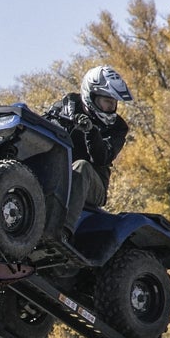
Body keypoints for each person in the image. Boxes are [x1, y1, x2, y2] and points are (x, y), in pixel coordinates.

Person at [43, 66, 132, 236]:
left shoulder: (118, 128)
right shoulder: (68, 104)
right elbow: (43, 125)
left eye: (113, 103)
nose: (110, 107)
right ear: (91, 96)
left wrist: (91, 131)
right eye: (107, 101)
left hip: (94, 184)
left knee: (81, 167)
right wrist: (62, 121)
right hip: (59, 172)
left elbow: (102, 157)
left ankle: (62, 233)